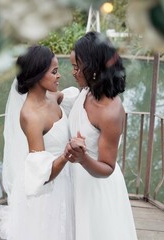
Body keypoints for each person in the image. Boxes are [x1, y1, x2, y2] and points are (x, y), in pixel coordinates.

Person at [0, 45, 75, 240]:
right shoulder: (31, 116)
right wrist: (66, 155)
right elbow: (42, 176)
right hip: (50, 191)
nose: (59, 76)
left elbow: (74, 98)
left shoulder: (53, 96)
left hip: (70, 177)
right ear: (38, 74)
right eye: (54, 72)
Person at [65, 32, 138, 240]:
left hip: (97, 190)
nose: (73, 72)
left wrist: (82, 158)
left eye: (77, 67)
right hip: (78, 182)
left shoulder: (110, 112)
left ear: (94, 67)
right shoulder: (86, 91)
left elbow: (107, 167)